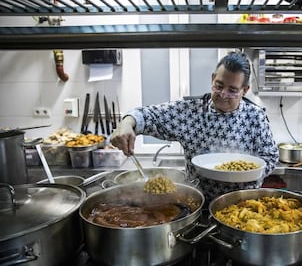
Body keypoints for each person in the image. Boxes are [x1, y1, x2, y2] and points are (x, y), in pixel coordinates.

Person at [110, 51, 279, 203]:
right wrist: (127, 122)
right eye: (219, 86)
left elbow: (271, 157)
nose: (223, 94)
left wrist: (245, 174)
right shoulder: (190, 111)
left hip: (243, 205)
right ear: (212, 78)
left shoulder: (256, 117)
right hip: (198, 204)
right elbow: (148, 115)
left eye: (232, 90)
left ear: (245, 90)